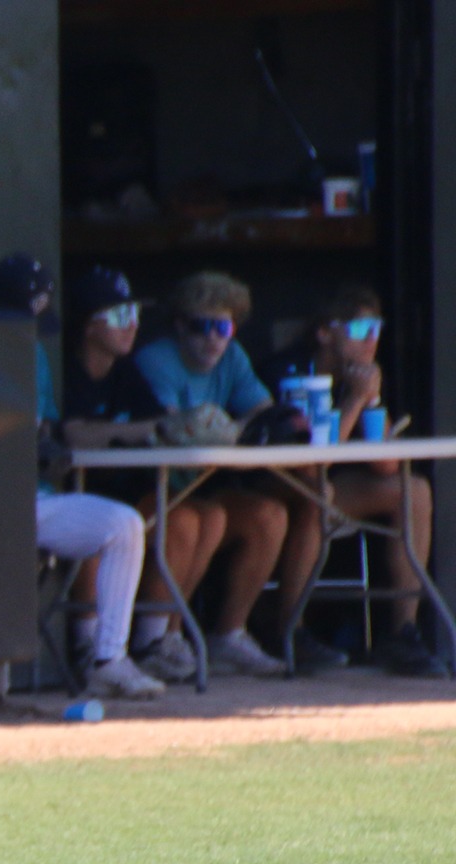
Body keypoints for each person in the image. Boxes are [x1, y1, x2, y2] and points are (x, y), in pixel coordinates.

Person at [0, 255, 164, 699]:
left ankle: (108, 660)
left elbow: (46, 424)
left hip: (31, 502)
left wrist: (45, 444)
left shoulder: (34, 353)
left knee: (123, 525)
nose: (29, 330)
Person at [131, 270, 339, 675]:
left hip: (204, 485)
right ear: (178, 325)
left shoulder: (232, 356)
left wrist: (256, 428)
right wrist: (240, 431)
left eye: (222, 327)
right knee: (197, 519)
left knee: (269, 514)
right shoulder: (156, 359)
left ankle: (228, 635)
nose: (213, 338)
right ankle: (164, 638)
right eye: (200, 327)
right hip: (153, 489)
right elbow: (177, 431)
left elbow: (265, 415)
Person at [60, 266, 225, 684]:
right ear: (87, 324)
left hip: (128, 488)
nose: (131, 324)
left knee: (199, 517)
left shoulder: (126, 371)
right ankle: (87, 641)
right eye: (118, 316)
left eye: (133, 313)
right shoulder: (65, 368)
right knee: (103, 524)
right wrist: (142, 429)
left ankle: (153, 640)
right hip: (70, 493)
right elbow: (73, 432)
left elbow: (161, 423)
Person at [289, 285, 445, 675]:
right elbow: (310, 463)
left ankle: (402, 632)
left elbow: (388, 465)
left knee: (414, 490)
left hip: (331, 490)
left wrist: (370, 401)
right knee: (317, 490)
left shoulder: (359, 378)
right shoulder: (291, 371)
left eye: (377, 328)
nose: (372, 339)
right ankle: (291, 630)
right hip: (279, 488)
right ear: (325, 332)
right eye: (361, 329)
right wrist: (354, 402)